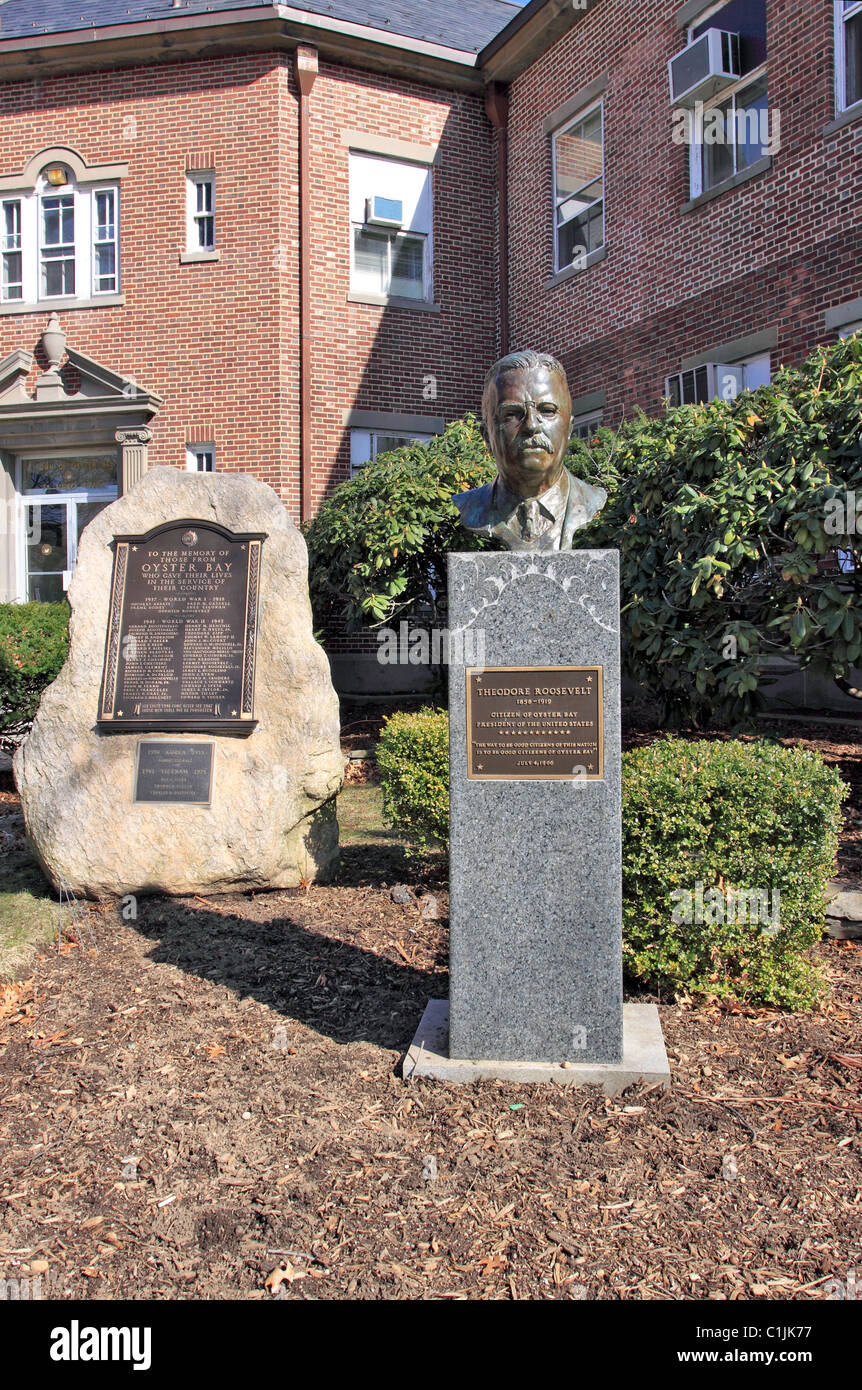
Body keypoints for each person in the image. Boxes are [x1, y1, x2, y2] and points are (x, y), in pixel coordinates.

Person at [452, 349, 606, 550]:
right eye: (512, 413)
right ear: (487, 435)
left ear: (569, 428)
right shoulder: (469, 508)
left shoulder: (597, 504)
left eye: (547, 411)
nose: (531, 425)